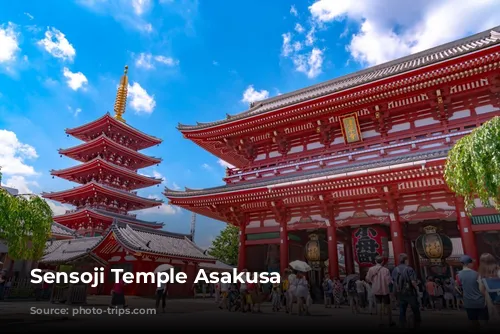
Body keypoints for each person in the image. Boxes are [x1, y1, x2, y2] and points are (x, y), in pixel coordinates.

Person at [457, 255, 488, 329]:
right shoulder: (477, 274)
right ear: (468, 264)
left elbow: (460, 286)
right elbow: (481, 288)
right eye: (472, 263)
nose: (473, 264)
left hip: (468, 302)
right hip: (480, 301)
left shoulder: (458, 275)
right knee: (485, 322)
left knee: (474, 322)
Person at [392, 253, 421, 328]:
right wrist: (417, 288)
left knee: (402, 308)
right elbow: (413, 281)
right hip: (409, 292)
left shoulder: (395, 269)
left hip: (400, 292)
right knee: (415, 308)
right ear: (405, 260)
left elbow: (394, 282)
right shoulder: (409, 269)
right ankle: (417, 323)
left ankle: (402, 323)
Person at [366, 255, 394, 327]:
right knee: (388, 305)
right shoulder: (386, 270)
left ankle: (380, 321)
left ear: (375, 261)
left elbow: (368, 279)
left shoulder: (371, 269)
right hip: (385, 290)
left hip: (376, 289)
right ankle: (390, 321)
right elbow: (389, 281)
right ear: (382, 261)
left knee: (378, 305)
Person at [477, 253, 500, 322]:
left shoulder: (481, 275)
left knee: (495, 317)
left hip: (491, 299)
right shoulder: (498, 270)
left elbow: (481, 290)